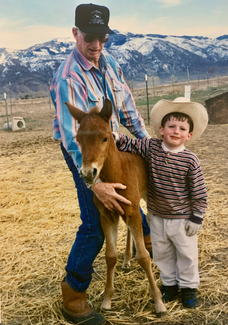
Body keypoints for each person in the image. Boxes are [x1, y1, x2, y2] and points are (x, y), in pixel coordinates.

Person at [50, 3, 151, 325]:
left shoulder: (109, 61)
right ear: (75, 33)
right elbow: (72, 137)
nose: (96, 46)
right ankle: (74, 294)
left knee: (131, 196)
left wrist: (150, 145)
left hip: (114, 144)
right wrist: (96, 184)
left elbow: (128, 109)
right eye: (89, 37)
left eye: (102, 38)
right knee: (95, 223)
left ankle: (146, 246)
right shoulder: (69, 78)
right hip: (84, 149)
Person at [114, 97, 208, 309]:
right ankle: (169, 285)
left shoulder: (190, 160)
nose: (176, 131)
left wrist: (197, 216)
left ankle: (188, 288)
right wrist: (114, 136)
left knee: (186, 253)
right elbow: (132, 144)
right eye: (171, 126)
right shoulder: (152, 147)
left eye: (182, 128)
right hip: (156, 216)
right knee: (162, 252)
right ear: (161, 129)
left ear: (189, 135)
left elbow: (199, 191)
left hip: (182, 218)